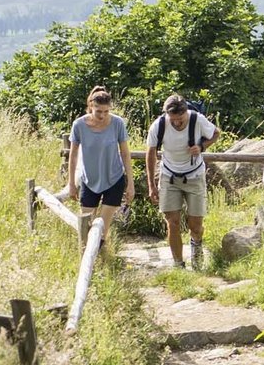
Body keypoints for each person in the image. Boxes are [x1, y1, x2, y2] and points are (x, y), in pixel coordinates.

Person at [145, 93, 218, 268]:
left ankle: (196, 245)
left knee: (196, 225)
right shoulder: (159, 125)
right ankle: (178, 264)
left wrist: (201, 147)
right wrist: (151, 185)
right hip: (169, 177)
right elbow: (150, 152)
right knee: (173, 222)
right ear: (167, 114)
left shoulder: (197, 120)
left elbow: (216, 133)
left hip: (194, 176)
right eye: (173, 119)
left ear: (186, 112)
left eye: (181, 119)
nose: (177, 122)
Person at [66, 86, 134, 240]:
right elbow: (73, 155)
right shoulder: (79, 125)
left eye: (106, 111)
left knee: (102, 229)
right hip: (89, 180)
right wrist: (71, 183)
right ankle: (89, 260)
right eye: (99, 111)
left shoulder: (117, 123)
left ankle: (99, 259)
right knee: (86, 227)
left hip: (114, 179)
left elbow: (125, 153)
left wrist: (130, 183)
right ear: (91, 106)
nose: (102, 115)